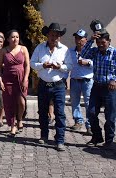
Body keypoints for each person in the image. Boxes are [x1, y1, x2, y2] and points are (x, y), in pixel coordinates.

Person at [30, 23, 72, 151]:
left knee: (59, 113)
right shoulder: (40, 48)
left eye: (56, 35)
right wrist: (43, 65)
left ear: (59, 36)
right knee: (42, 112)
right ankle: (44, 136)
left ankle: (59, 140)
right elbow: (32, 63)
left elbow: (69, 66)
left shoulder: (64, 49)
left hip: (58, 85)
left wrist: (60, 67)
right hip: (43, 84)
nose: (54, 37)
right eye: (51, 34)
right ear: (47, 35)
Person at [81, 29, 116, 148]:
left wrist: (114, 79)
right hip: (96, 86)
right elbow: (83, 54)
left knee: (110, 116)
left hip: (110, 88)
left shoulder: (114, 53)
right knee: (91, 113)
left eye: (103, 42)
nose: (100, 45)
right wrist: (91, 40)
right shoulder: (95, 51)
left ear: (109, 41)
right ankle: (97, 136)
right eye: (99, 42)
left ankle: (109, 140)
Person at [0, 30, 30, 135]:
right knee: (9, 103)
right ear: (8, 39)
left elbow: (27, 66)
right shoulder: (3, 51)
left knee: (22, 102)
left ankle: (19, 119)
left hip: (21, 79)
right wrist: (1, 81)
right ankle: (12, 125)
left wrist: (25, 79)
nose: (15, 39)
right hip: (8, 80)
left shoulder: (23, 49)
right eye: (12, 37)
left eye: (17, 37)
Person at [69, 29, 93, 135]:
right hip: (74, 80)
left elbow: (97, 64)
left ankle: (90, 125)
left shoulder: (92, 51)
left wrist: (87, 63)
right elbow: (67, 64)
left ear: (86, 40)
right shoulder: (70, 51)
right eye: (76, 37)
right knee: (75, 103)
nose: (77, 40)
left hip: (87, 81)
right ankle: (78, 121)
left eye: (80, 38)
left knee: (89, 104)